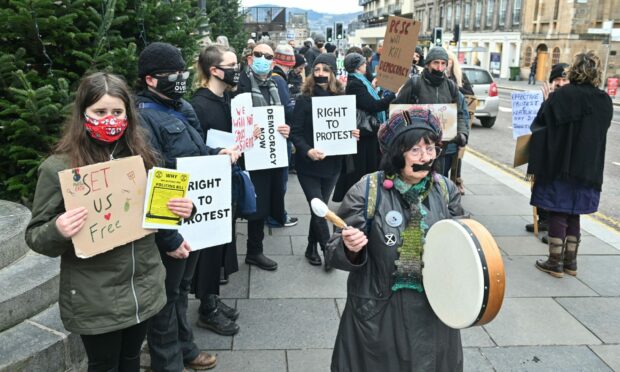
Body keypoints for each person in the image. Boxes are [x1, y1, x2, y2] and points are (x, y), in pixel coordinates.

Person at [25, 72, 167, 371]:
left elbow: (157, 213)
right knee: (103, 365)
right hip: (95, 294)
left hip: (143, 285)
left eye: (117, 112)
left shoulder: (141, 157)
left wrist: (181, 208)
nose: (109, 119)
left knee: (131, 360)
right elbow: (36, 236)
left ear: (128, 114)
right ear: (83, 115)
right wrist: (58, 229)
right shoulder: (58, 168)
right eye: (100, 112)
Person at [326, 107, 465, 371]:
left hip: (434, 311)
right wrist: (349, 248)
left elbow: (463, 242)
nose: (425, 157)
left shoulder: (445, 190)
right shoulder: (367, 190)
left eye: (431, 148)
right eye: (415, 150)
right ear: (395, 154)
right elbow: (333, 250)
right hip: (379, 313)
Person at [137, 42, 229, 371]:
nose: (181, 77)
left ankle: (186, 349)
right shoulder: (142, 117)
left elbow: (196, 154)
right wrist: (168, 236)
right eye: (172, 73)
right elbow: (153, 177)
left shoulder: (182, 107)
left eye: (182, 70)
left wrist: (216, 158)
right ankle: (168, 361)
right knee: (166, 296)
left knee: (181, 290)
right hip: (172, 222)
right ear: (150, 80)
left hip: (196, 216)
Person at [528, 51, 611, 278]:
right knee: (574, 213)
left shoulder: (561, 96)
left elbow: (542, 126)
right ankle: (571, 262)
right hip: (587, 169)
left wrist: (546, 102)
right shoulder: (604, 100)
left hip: (559, 165)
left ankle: (554, 262)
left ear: (574, 71)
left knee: (558, 211)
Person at [190, 44, 244, 336]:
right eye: (232, 64)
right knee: (210, 248)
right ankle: (206, 307)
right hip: (210, 185)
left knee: (222, 243)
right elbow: (195, 148)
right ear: (214, 70)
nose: (237, 69)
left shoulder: (226, 99)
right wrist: (218, 152)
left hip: (227, 180)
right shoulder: (199, 105)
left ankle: (211, 298)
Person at [291, 53, 359, 269]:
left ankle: (311, 247)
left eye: (325, 70)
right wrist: (307, 150)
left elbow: (345, 129)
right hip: (309, 166)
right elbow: (296, 133)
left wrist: (352, 134)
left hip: (333, 166)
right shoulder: (303, 99)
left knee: (319, 210)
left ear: (333, 73)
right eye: (317, 69)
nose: (320, 74)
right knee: (320, 209)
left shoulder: (342, 98)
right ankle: (328, 250)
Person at [235, 42, 292, 271]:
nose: (262, 59)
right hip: (246, 155)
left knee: (263, 203)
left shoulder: (276, 84)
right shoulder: (240, 85)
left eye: (267, 56)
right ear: (250, 58)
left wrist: (287, 130)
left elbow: (285, 116)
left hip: (270, 155)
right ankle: (223, 262)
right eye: (258, 54)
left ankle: (254, 251)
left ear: (273, 62)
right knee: (244, 205)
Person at [393, 46, 469, 178]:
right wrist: (411, 128)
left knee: (439, 185)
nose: (439, 68)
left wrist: (462, 133)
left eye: (443, 63)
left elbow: (460, 114)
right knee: (419, 182)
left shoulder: (451, 87)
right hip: (417, 148)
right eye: (436, 63)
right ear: (428, 64)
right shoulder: (415, 83)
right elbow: (397, 111)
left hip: (444, 149)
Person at [332, 52, 395, 203]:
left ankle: (363, 196)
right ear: (358, 66)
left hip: (366, 132)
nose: (366, 65)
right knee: (364, 166)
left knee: (367, 165)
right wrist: (392, 96)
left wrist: (375, 89)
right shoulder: (355, 83)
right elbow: (372, 105)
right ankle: (361, 198)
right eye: (363, 64)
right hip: (364, 132)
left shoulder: (360, 81)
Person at [525, 62, 570, 237]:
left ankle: (556, 229)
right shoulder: (549, 98)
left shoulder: (569, 101)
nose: (559, 83)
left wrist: (549, 103)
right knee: (541, 185)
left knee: (556, 190)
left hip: (561, 155)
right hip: (546, 153)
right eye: (557, 79)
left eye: (564, 79)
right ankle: (543, 220)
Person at [445, 49, 475, 194]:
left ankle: (456, 181)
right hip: (443, 120)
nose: (446, 64)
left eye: (449, 61)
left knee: (458, 154)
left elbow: (470, 94)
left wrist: (457, 90)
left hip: (456, 119)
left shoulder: (460, 77)